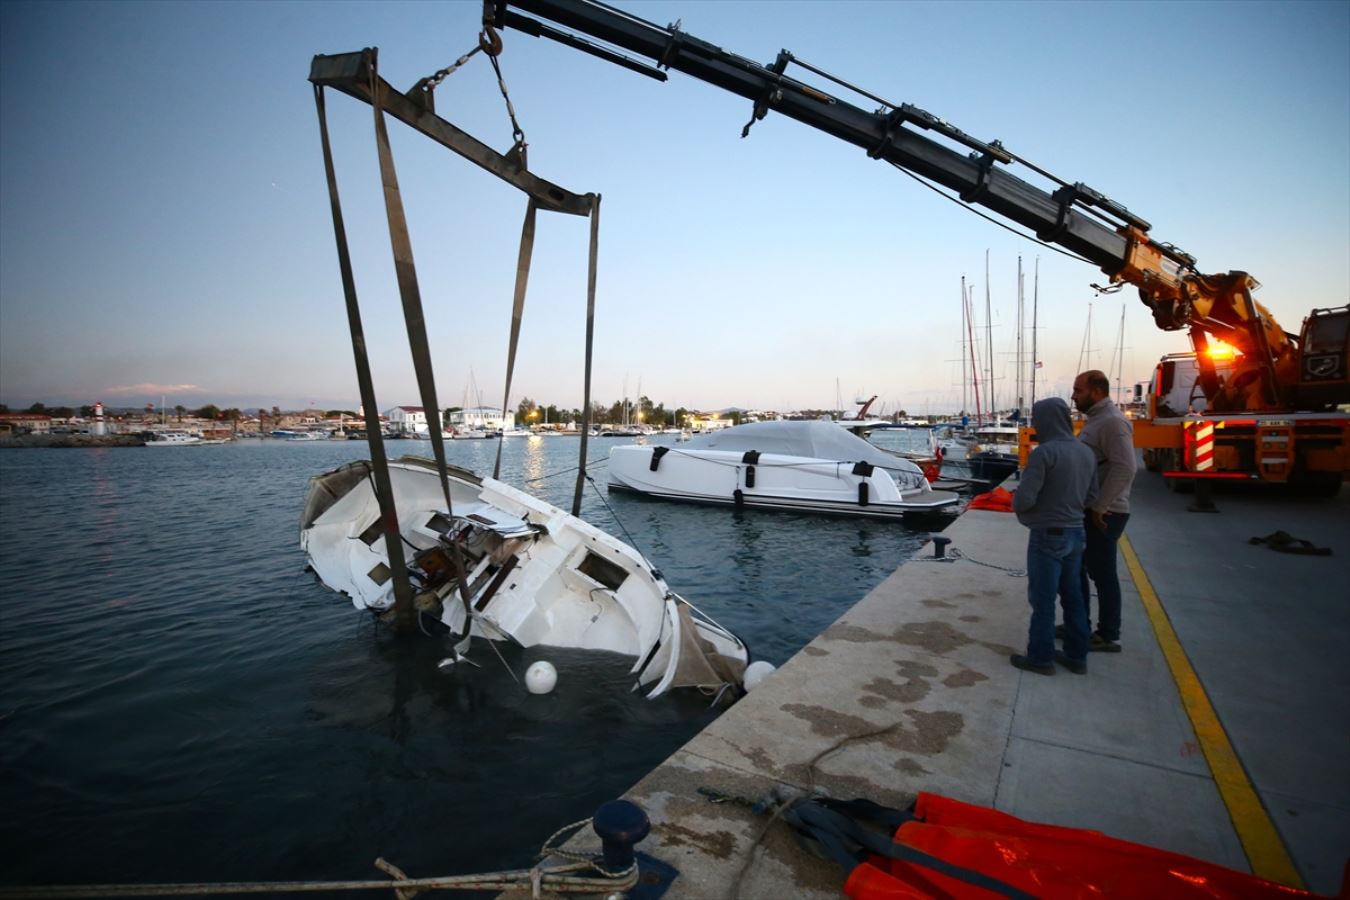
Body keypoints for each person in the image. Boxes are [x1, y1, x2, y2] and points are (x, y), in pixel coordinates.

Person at [1010, 397, 1099, 675]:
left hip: (1047, 535)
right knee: (1073, 597)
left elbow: (1024, 499)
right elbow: (1093, 496)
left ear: (1046, 420)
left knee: (1043, 599)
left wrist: (1028, 508)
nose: (1035, 424)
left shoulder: (1044, 454)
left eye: (1037, 418)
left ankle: (1040, 657)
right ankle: (1077, 655)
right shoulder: (1086, 453)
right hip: (1077, 534)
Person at [1070, 369, 1136, 653]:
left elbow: (1125, 466)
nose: (1074, 396)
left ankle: (1109, 634)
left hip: (1106, 512)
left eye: (1079, 391)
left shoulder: (1112, 422)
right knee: (1079, 568)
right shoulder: (1097, 420)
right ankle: (1079, 625)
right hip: (1093, 509)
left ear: (1096, 392)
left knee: (1102, 573)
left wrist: (1101, 506)